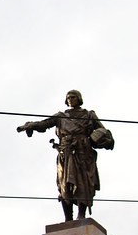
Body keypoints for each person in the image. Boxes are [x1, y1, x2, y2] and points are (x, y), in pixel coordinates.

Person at [17, 89, 113, 222]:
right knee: (64, 184)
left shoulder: (89, 115)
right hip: (65, 152)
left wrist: (103, 140)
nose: (70, 99)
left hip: (83, 152)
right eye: (68, 98)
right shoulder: (60, 116)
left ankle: (81, 215)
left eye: (73, 97)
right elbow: (44, 124)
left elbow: (103, 131)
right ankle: (68, 218)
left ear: (79, 99)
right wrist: (31, 125)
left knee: (82, 183)